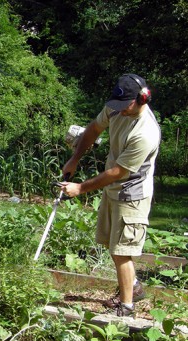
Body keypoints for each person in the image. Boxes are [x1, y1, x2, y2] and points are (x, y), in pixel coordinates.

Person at [60, 73, 160, 317]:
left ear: (142, 100)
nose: (118, 110)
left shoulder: (145, 133)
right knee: (109, 241)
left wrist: (81, 188)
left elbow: (118, 172)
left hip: (132, 192)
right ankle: (133, 286)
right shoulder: (116, 108)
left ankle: (127, 307)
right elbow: (93, 130)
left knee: (122, 250)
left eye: (124, 105)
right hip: (113, 188)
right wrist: (74, 159)